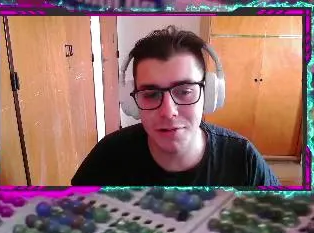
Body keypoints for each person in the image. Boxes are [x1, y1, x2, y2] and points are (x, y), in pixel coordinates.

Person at [72, 27, 280, 187]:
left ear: (208, 95)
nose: (168, 111)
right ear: (132, 101)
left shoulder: (243, 159)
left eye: (184, 91)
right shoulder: (108, 156)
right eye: (151, 94)